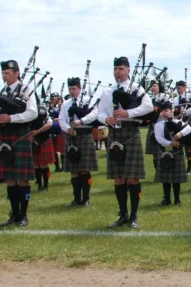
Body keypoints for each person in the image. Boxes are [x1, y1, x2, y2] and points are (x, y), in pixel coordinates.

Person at [98, 56, 154, 229]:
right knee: (119, 178)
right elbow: (99, 112)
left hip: (131, 132)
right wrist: (106, 118)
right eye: (115, 69)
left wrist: (128, 113)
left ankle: (134, 216)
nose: (118, 72)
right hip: (114, 133)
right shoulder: (108, 91)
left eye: (121, 69)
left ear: (128, 70)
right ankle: (123, 214)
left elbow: (148, 107)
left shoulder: (137, 88)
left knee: (133, 178)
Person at [0, 60, 38, 227]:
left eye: (7, 73)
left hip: (20, 135)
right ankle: (14, 213)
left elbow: (33, 113)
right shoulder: (0, 92)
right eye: (3, 73)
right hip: (4, 137)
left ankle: (23, 215)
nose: (4, 76)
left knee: (22, 179)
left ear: (17, 73)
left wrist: (12, 118)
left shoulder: (26, 90)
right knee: (10, 178)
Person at [59, 77, 100, 207]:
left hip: (84, 135)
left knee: (84, 169)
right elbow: (61, 119)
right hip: (71, 136)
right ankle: (76, 198)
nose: (72, 91)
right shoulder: (66, 104)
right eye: (70, 89)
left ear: (80, 88)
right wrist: (67, 129)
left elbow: (94, 115)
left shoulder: (89, 100)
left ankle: (86, 198)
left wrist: (80, 121)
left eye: (74, 89)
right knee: (74, 170)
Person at [154, 102, 191, 206]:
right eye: (162, 111)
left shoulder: (177, 122)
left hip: (177, 152)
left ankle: (177, 199)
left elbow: (189, 128)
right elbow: (159, 138)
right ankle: (167, 199)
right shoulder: (158, 125)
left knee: (176, 178)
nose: (164, 113)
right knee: (165, 178)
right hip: (164, 151)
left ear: (171, 111)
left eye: (166, 110)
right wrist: (170, 143)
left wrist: (180, 133)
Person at [29, 103, 55, 192]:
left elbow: (50, 124)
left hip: (43, 139)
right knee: (35, 164)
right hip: (32, 140)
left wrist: (38, 131)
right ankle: (39, 185)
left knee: (44, 164)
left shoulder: (42, 111)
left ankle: (46, 186)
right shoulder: (27, 110)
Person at [173, 80, 191, 175]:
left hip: (188, 122)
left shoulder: (190, 97)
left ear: (184, 87)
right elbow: (174, 111)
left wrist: (186, 112)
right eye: (177, 88)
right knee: (179, 145)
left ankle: (189, 168)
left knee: (189, 146)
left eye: (180, 87)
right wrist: (176, 115)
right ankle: (181, 167)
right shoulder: (175, 99)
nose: (178, 89)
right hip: (178, 123)